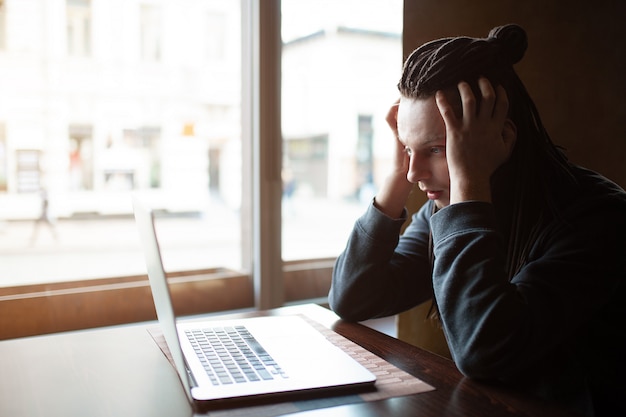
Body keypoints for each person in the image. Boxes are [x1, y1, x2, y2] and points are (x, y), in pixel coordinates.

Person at [329, 24, 626, 417]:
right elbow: (353, 297)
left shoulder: (597, 217)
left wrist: (468, 183)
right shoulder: (447, 207)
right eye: (407, 148)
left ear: (500, 137)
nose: (416, 173)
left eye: (435, 148)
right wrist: (396, 178)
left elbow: (484, 349)